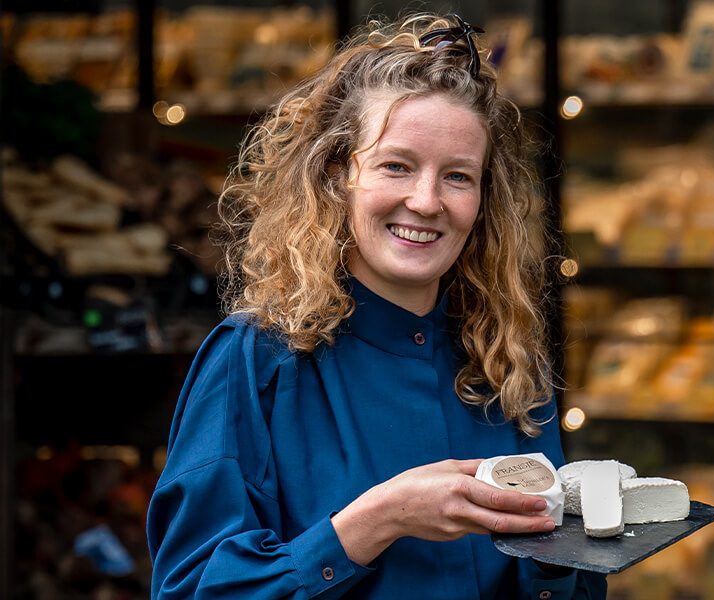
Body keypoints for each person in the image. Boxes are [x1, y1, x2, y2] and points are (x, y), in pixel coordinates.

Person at [146, 15, 606, 600]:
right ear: (338, 175)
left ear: (485, 201)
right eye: (397, 165)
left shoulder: (506, 361)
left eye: (458, 176)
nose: (426, 200)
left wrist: (563, 560)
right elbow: (192, 590)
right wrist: (377, 521)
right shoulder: (255, 361)